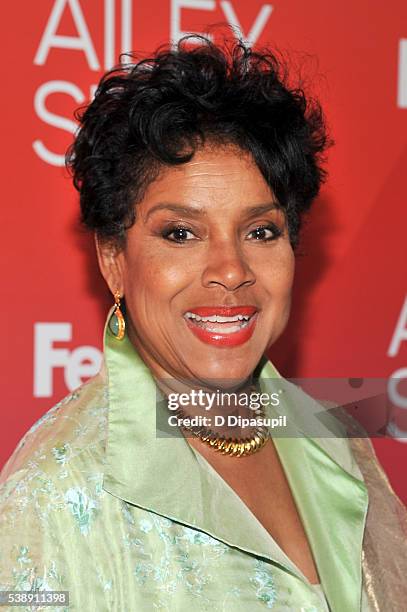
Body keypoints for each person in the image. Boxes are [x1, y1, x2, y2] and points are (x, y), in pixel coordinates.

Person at [1, 34, 406, 612]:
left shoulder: (332, 438)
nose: (230, 270)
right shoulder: (53, 496)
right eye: (181, 233)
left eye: (260, 231)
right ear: (115, 259)